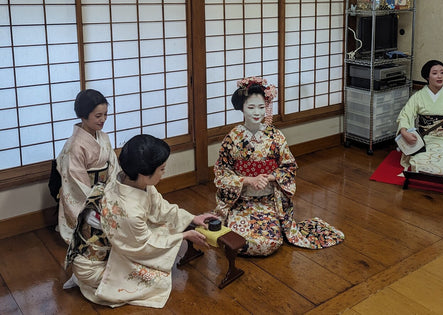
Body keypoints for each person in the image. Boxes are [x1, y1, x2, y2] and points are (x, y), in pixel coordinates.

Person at [65, 134, 216, 308]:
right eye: (162, 169)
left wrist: (193, 218)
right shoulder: (128, 210)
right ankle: (99, 281)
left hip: (117, 242)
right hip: (94, 267)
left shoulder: (125, 179)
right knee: (150, 280)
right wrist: (183, 236)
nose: (164, 172)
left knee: (163, 226)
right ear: (144, 174)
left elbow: (160, 208)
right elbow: (144, 247)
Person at [213, 76, 345, 256]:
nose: (256, 112)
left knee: (268, 243)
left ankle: (274, 225)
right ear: (242, 108)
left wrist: (268, 177)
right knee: (240, 242)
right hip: (241, 200)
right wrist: (249, 180)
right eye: (251, 107)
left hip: (269, 199)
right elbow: (222, 172)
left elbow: (289, 166)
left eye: (261, 107)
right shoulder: (232, 138)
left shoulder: (276, 136)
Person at [56, 89, 119, 245]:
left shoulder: (103, 137)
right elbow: (75, 182)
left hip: (105, 191)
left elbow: (113, 167)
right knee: (98, 231)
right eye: (98, 116)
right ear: (83, 115)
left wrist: (110, 191)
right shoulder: (75, 146)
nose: (103, 119)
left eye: (105, 114)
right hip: (85, 197)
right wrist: (91, 205)